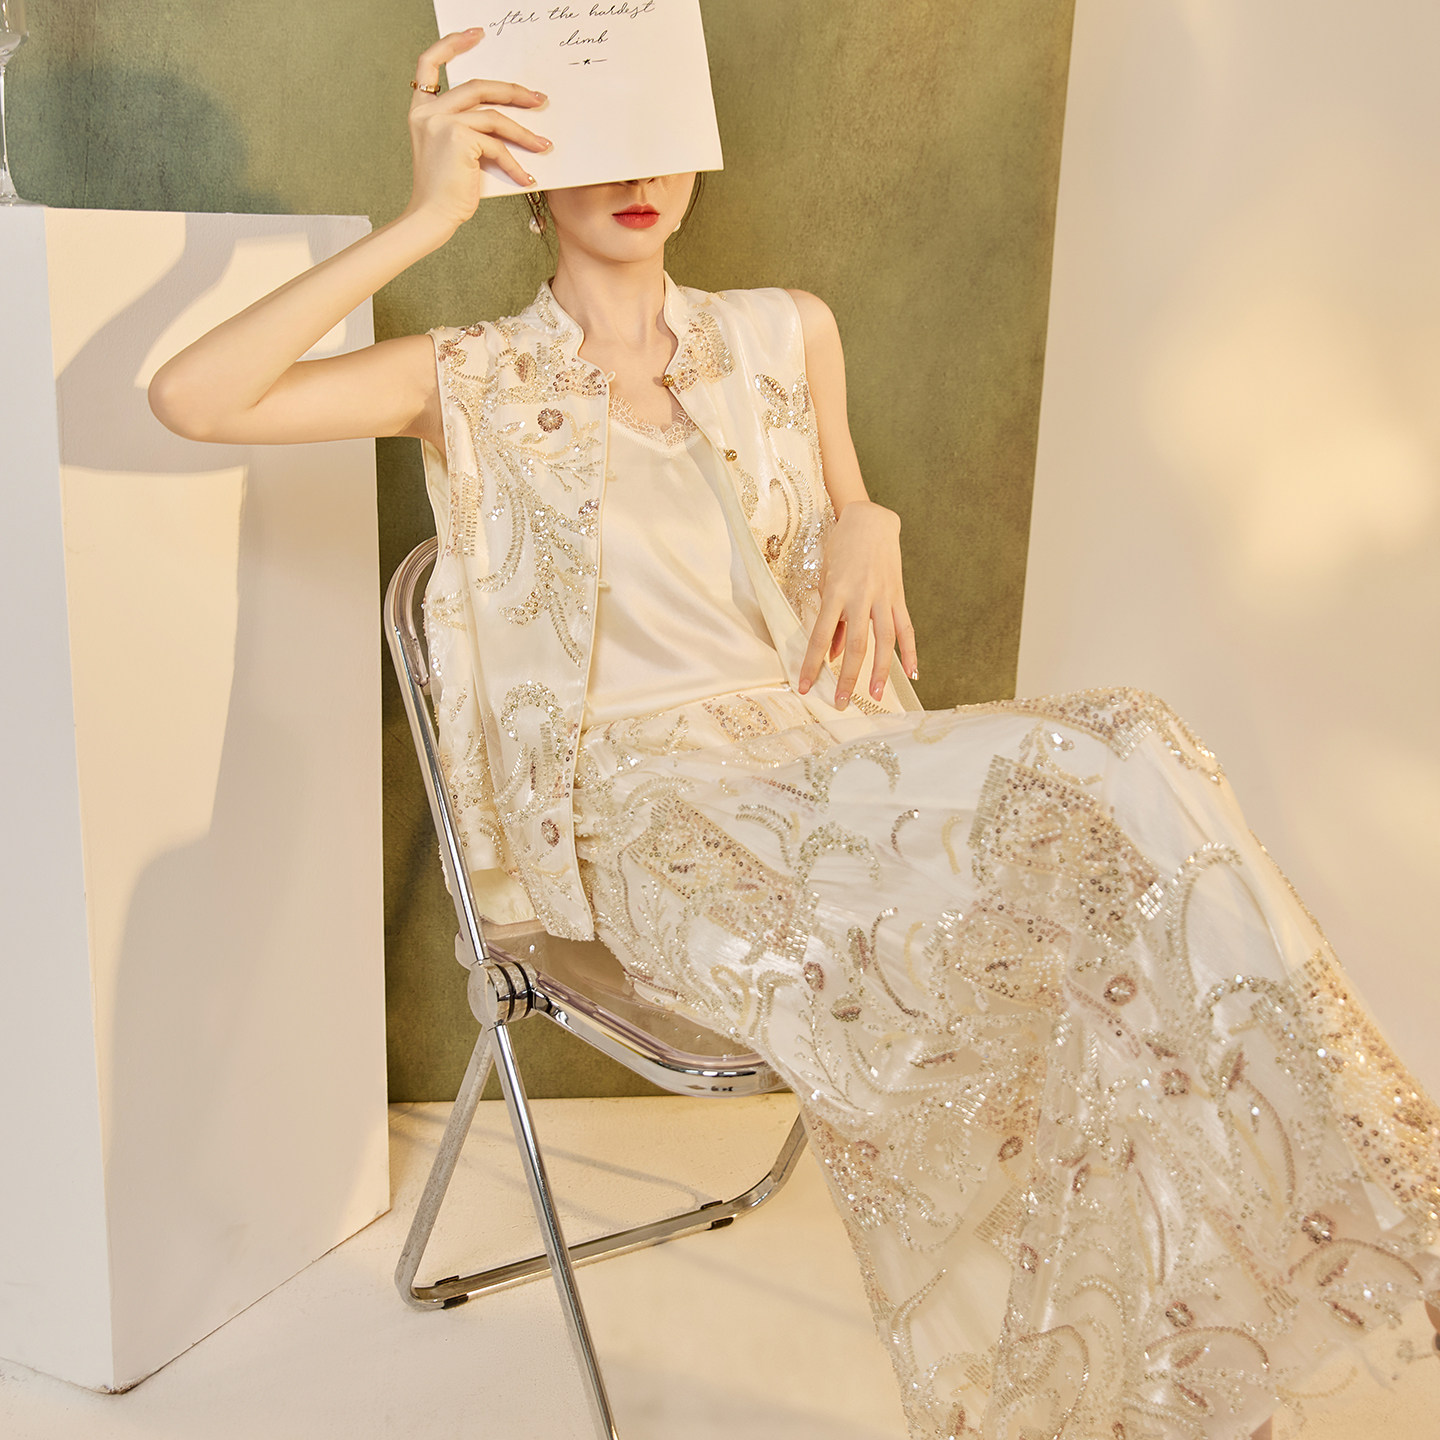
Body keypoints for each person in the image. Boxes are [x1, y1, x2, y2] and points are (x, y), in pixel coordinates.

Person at [149, 30, 1440, 1440]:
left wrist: (868, 516)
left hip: (820, 758)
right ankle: (1179, 1327)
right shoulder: (465, 379)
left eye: (663, 136)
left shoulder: (786, 332)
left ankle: (1260, 1274)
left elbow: (839, 526)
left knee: (1130, 744)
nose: (641, 173)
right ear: (529, 170)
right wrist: (421, 220)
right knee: (1062, 906)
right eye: (601, 140)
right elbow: (194, 399)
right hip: (648, 813)